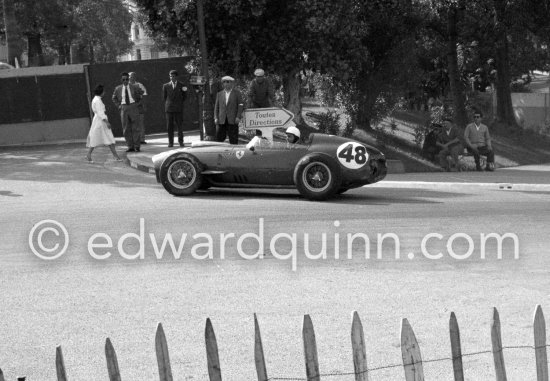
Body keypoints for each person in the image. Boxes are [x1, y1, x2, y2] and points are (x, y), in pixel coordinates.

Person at [86, 85, 122, 163]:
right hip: (101, 121)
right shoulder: (98, 101)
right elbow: (100, 112)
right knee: (108, 138)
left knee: (98, 137)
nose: (104, 93)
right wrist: (106, 122)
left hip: (98, 120)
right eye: (103, 91)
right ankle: (116, 156)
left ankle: (116, 156)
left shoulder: (95, 99)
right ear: (101, 92)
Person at [112, 72, 143, 152]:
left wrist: (137, 102)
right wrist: (119, 105)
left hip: (133, 106)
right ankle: (130, 146)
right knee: (126, 128)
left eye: (126, 79)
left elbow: (141, 92)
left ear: (128, 79)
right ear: (121, 80)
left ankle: (137, 146)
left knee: (135, 127)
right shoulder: (118, 88)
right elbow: (114, 98)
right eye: (123, 79)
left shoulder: (134, 86)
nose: (125, 81)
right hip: (123, 108)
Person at [214, 75, 244, 144]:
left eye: (228, 82)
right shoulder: (219, 94)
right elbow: (216, 107)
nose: (226, 84)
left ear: (232, 83)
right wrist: (215, 118)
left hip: (233, 119)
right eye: (224, 82)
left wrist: (238, 116)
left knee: (233, 139)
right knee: (219, 139)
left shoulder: (237, 93)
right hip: (222, 120)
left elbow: (241, 105)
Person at [163, 69, 188, 147]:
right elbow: (164, 97)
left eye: (173, 76)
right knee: (169, 126)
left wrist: (179, 103)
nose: (172, 78)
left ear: (176, 77)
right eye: (171, 76)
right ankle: (171, 142)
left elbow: (185, 96)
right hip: (169, 109)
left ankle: (181, 142)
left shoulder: (182, 85)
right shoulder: (166, 86)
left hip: (178, 108)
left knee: (180, 126)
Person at [129, 72, 148, 145]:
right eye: (130, 76)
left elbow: (144, 95)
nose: (131, 78)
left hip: (139, 107)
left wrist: (142, 104)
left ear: (135, 77)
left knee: (140, 123)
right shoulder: (125, 86)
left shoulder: (140, 85)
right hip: (129, 108)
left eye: (133, 76)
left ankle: (142, 139)